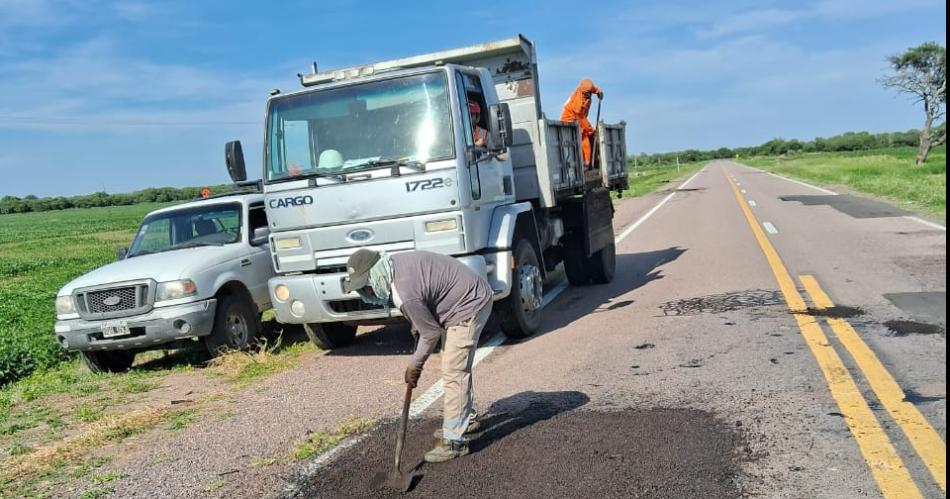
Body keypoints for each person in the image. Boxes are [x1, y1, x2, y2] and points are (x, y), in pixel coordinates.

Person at [342, 249, 493, 463]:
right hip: (461, 298)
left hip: (469, 303)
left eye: (366, 285)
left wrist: (415, 366)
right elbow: (424, 297)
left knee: (454, 370)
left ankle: (455, 442)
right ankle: (463, 419)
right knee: (454, 366)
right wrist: (416, 322)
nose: (368, 292)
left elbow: (430, 333)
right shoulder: (393, 267)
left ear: (375, 275)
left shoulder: (403, 291)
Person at [560, 78, 603, 167]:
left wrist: (598, 92)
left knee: (587, 133)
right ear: (583, 91)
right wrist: (590, 130)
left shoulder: (586, 89)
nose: (589, 95)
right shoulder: (578, 102)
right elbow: (581, 118)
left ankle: (588, 161)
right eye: (587, 93)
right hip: (569, 119)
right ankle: (586, 163)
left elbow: (592, 88)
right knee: (583, 137)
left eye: (590, 92)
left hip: (579, 117)